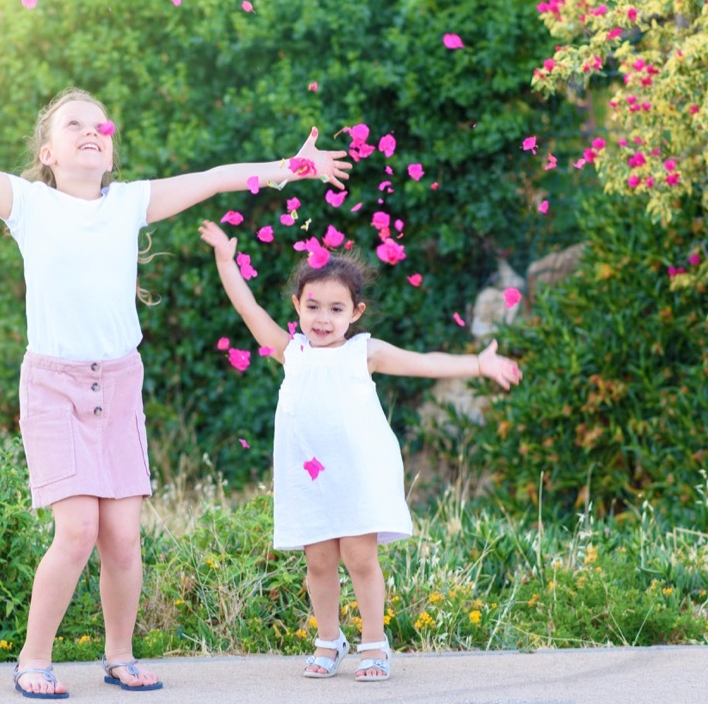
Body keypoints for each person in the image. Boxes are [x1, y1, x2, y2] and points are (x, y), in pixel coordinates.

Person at [0, 72, 351, 699]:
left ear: (111, 150)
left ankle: (119, 656)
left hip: (119, 384)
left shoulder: (130, 203)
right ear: (48, 155)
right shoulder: (28, 204)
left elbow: (216, 177)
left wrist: (291, 166)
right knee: (77, 530)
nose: (90, 132)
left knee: (124, 537)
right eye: (73, 124)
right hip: (54, 387)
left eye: (99, 126)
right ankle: (33, 658)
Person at [197, 220, 521, 682]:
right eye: (312, 307)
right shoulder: (292, 352)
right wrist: (227, 262)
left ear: (355, 311)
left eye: (335, 308)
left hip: (358, 472)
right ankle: (329, 640)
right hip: (309, 476)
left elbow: (425, 364)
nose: (322, 318)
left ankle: (374, 642)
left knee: (360, 557)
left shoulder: (363, 352)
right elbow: (247, 308)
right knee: (318, 561)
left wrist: (479, 363)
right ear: (297, 307)